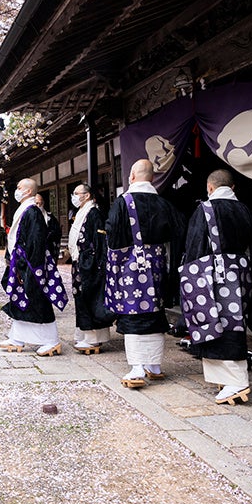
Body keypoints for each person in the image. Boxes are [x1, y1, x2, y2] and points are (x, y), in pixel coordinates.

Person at [180, 169, 252, 405]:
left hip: (212, 277)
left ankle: (236, 382)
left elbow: (195, 247)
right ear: (232, 188)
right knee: (235, 323)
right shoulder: (246, 210)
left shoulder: (205, 209)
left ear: (210, 188)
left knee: (216, 324)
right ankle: (229, 378)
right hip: (241, 272)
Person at [104, 159, 185, 385]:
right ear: (152, 178)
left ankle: (138, 368)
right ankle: (154, 365)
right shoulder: (163, 203)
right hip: (158, 265)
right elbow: (179, 230)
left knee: (134, 313)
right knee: (155, 311)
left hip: (130, 268)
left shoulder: (123, 202)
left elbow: (112, 232)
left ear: (131, 176)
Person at [0, 178, 69, 356]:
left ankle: (51, 340)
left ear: (28, 191)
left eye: (19, 187)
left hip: (31, 264)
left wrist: (31, 268)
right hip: (21, 262)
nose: (17, 190)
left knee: (38, 299)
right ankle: (17, 336)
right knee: (21, 299)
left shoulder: (33, 212)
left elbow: (36, 242)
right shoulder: (25, 210)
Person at [68, 183, 111, 354]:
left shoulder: (94, 213)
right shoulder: (81, 212)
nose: (74, 196)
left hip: (90, 262)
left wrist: (95, 263)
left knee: (90, 297)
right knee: (82, 297)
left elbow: (100, 242)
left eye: (76, 193)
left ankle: (93, 339)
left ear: (86, 195)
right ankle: (85, 333)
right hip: (81, 260)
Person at [35, 193, 62, 261]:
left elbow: (57, 231)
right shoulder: (29, 217)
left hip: (48, 247)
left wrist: (48, 234)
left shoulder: (50, 217)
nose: (38, 205)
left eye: (40, 203)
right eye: (36, 203)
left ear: (43, 203)